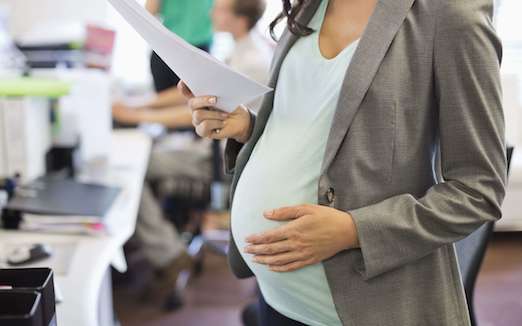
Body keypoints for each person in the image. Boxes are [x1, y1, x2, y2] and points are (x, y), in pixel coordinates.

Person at [182, 0, 506, 325]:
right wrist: (248, 128)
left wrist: (354, 231)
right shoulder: (310, 6)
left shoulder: (450, 12)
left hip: (364, 309)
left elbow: (479, 189)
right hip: (277, 300)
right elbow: (321, 128)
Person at [115, 0, 272, 304]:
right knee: (145, 154)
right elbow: (193, 93)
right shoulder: (241, 48)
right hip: (207, 150)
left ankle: (168, 255)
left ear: (238, 20)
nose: (211, 12)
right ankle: (165, 246)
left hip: (219, 160)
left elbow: (202, 112)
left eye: (220, 8)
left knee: (134, 168)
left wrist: (136, 116)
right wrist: (142, 104)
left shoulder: (250, 60)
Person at [146, 0, 214, 93]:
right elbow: (149, 12)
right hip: (166, 48)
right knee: (164, 103)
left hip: (199, 49)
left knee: (201, 100)